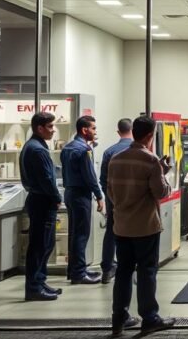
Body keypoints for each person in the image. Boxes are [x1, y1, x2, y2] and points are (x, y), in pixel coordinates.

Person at [107, 115, 176, 336]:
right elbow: (161, 192)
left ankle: (118, 319)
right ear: (149, 135)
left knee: (124, 273)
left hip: (122, 227)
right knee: (147, 272)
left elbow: (110, 192)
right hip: (145, 227)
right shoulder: (150, 160)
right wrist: (163, 174)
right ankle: (150, 318)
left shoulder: (115, 159)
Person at [19, 112, 62, 301]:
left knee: (46, 243)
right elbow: (46, 178)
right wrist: (56, 196)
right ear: (39, 128)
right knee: (40, 245)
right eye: (50, 127)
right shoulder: (37, 150)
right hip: (42, 201)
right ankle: (34, 287)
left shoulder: (35, 146)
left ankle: (40, 281)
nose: (53, 130)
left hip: (39, 199)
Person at [60, 115, 105, 284]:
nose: (95, 131)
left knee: (74, 233)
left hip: (70, 192)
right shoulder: (83, 150)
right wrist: (99, 196)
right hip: (81, 195)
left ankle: (74, 270)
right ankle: (79, 273)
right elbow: (90, 176)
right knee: (81, 234)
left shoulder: (67, 148)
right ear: (84, 130)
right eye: (93, 128)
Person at [99, 118, 134, 284]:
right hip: (136, 201)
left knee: (111, 232)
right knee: (136, 233)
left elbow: (103, 179)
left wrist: (111, 197)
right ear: (132, 130)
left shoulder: (109, 152)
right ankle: (133, 269)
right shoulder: (142, 151)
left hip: (115, 199)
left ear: (118, 132)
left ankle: (107, 270)